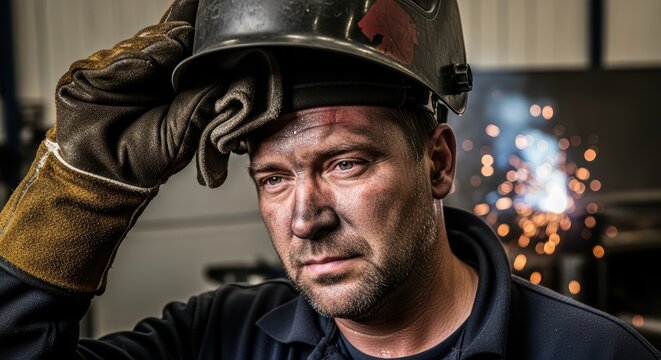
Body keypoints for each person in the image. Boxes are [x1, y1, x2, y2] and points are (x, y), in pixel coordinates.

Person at [0, 0, 659, 359]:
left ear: (437, 163)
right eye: (273, 178)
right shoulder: (224, 340)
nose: (305, 216)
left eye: (344, 162)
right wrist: (77, 191)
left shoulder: (592, 353)